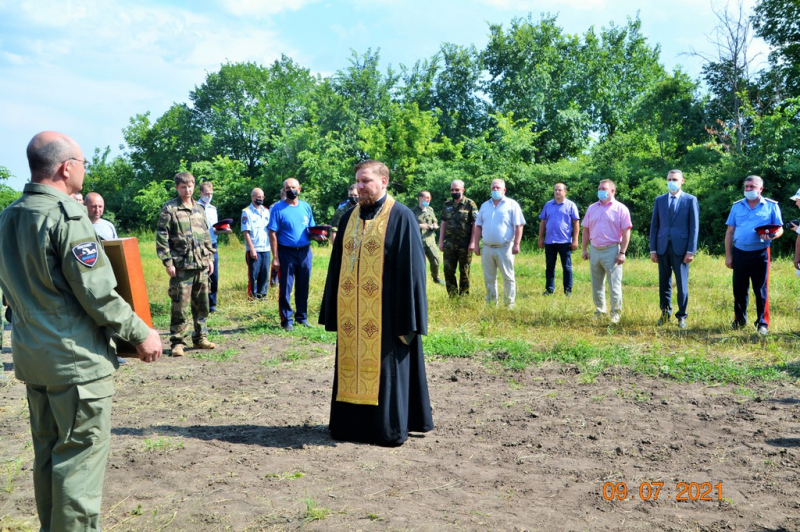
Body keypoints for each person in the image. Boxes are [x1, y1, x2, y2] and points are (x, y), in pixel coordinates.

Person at [0, 131, 162, 531]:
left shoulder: (10, 215)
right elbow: (98, 293)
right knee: (79, 464)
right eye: (83, 162)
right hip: (76, 364)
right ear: (65, 167)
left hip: (34, 359)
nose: (85, 169)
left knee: (49, 457)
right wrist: (141, 333)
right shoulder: (66, 216)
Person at [320, 160, 433, 446]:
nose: (360, 187)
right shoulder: (347, 218)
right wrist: (333, 307)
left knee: (386, 369)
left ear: (384, 182)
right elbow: (337, 266)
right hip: (352, 314)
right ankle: (349, 427)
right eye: (357, 181)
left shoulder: (401, 216)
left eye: (365, 181)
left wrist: (409, 316)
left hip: (386, 312)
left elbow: (413, 271)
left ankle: (386, 429)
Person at [156, 172, 216, 356]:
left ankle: (200, 338)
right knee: (180, 306)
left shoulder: (199, 208)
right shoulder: (170, 209)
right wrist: (168, 262)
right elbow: (162, 236)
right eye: (183, 187)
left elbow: (206, 235)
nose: (187, 190)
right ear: (177, 188)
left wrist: (210, 258)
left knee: (202, 304)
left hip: (201, 264)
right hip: (181, 266)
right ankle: (177, 342)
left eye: (190, 186)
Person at [725, 175, 783, 335]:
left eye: (752, 186)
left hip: (761, 252)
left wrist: (772, 236)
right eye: (746, 187)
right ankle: (739, 320)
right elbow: (730, 232)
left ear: (760, 189)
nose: (749, 189)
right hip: (740, 252)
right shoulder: (737, 206)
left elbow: (780, 229)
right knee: (739, 288)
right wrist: (728, 256)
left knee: (761, 289)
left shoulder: (771, 206)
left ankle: (762, 323)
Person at [268, 178, 325, 331]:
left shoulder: (306, 207)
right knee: (285, 287)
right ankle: (286, 320)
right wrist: (275, 257)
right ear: (283, 191)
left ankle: (302, 317)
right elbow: (272, 233)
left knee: (303, 286)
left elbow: (311, 228)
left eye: (293, 187)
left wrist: (317, 236)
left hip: (305, 252)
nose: (291, 190)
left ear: (299, 189)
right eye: (287, 188)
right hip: (286, 252)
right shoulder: (277, 208)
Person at [649, 170, 700, 329]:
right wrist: (653, 249)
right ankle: (665, 314)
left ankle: (682, 316)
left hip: (682, 249)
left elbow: (694, 227)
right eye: (669, 179)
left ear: (682, 181)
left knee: (682, 284)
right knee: (664, 282)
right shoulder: (659, 200)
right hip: (662, 247)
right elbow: (654, 226)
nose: (672, 181)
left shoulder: (690, 200)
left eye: (675, 179)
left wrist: (691, 250)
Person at [581, 179, 632, 324]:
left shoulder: (620, 209)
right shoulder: (592, 208)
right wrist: (584, 249)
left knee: (614, 284)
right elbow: (586, 230)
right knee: (597, 284)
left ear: (612, 191)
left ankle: (615, 313)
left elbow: (626, 231)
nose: (601, 191)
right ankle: (600, 311)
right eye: (599, 188)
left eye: (604, 188)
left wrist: (622, 252)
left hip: (612, 250)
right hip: (594, 249)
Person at [471, 179, 526, 308]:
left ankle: (508, 304)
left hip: (505, 247)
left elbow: (519, 226)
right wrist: (475, 244)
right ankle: (491, 303)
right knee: (489, 278)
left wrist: (517, 244)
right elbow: (478, 226)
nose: (495, 190)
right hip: (487, 248)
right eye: (493, 188)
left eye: (498, 188)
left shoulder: (512, 204)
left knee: (508, 277)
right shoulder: (485, 205)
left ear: (504, 190)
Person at [538, 183, 580, 297]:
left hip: (564, 241)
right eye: (555, 190)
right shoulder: (548, 205)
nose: (557, 192)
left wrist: (575, 240)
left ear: (565, 192)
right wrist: (540, 238)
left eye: (559, 190)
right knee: (549, 267)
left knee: (566, 267)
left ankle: (568, 291)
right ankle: (549, 289)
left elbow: (576, 223)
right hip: (549, 241)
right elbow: (543, 222)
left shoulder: (571, 205)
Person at [439, 179, 477, 296]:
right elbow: (443, 223)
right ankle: (453, 296)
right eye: (452, 189)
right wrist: (440, 241)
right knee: (448, 271)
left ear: (463, 190)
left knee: (464, 271)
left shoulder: (470, 204)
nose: (454, 191)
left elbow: (475, 223)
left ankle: (464, 296)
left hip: (464, 244)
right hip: (449, 243)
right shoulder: (447, 205)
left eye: (457, 189)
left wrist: (473, 242)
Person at [199, 182, 230, 312]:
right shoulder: (195, 207)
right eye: (206, 194)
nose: (209, 196)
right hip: (200, 245)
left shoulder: (213, 209)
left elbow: (214, 229)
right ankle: (201, 304)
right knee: (201, 275)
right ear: (200, 193)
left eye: (211, 194)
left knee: (214, 275)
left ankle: (212, 304)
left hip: (213, 244)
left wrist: (224, 230)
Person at [242, 187, 271, 300]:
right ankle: (252, 298)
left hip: (266, 248)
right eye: (258, 197)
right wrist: (252, 249)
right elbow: (246, 232)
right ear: (252, 197)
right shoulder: (246, 212)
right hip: (254, 249)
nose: (260, 199)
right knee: (253, 275)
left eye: (262, 197)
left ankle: (262, 297)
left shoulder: (266, 211)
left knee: (264, 275)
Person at [412, 190, 444, 285]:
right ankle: (418, 282)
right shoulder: (412, 211)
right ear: (420, 198)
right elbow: (409, 224)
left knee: (436, 260)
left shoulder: (430, 209)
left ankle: (436, 278)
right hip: (418, 242)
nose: (428, 199)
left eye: (429, 197)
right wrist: (421, 226)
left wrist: (435, 225)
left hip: (430, 241)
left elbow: (435, 221)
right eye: (426, 197)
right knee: (418, 264)